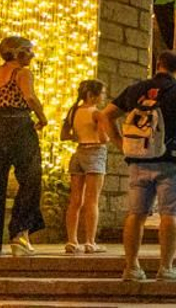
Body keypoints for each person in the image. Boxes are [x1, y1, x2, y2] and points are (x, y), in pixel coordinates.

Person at [102, 50, 176, 283]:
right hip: (171, 160)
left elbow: (106, 115)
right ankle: (166, 268)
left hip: (138, 160)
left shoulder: (135, 89)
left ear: (157, 64)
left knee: (135, 215)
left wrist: (121, 144)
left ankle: (131, 267)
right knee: (170, 214)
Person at [0, 35, 49, 256]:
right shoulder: (22, 73)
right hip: (18, 126)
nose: (32, 55)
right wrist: (42, 118)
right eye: (29, 50)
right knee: (30, 178)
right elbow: (30, 98)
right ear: (17, 52)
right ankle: (20, 233)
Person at [63, 79, 110, 254]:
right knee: (92, 200)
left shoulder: (73, 112)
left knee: (75, 200)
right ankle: (90, 242)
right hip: (95, 154)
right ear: (92, 95)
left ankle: (72, 241)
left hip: (78, 154)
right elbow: (104, 138)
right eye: (102, 93)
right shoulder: (97, 113)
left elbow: (64, 135)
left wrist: (79, 135)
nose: (104, 97)